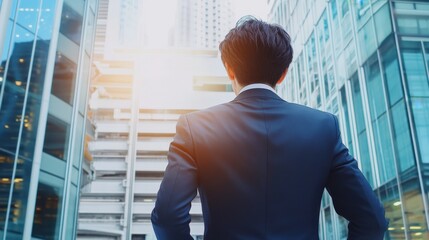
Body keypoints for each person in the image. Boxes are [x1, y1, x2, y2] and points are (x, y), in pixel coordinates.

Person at [151, 16, 388, 239]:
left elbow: (167, 218)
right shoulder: (323, 127)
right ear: (283, 73)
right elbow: (372, 220)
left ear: (229, 70)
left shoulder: (195, 127)